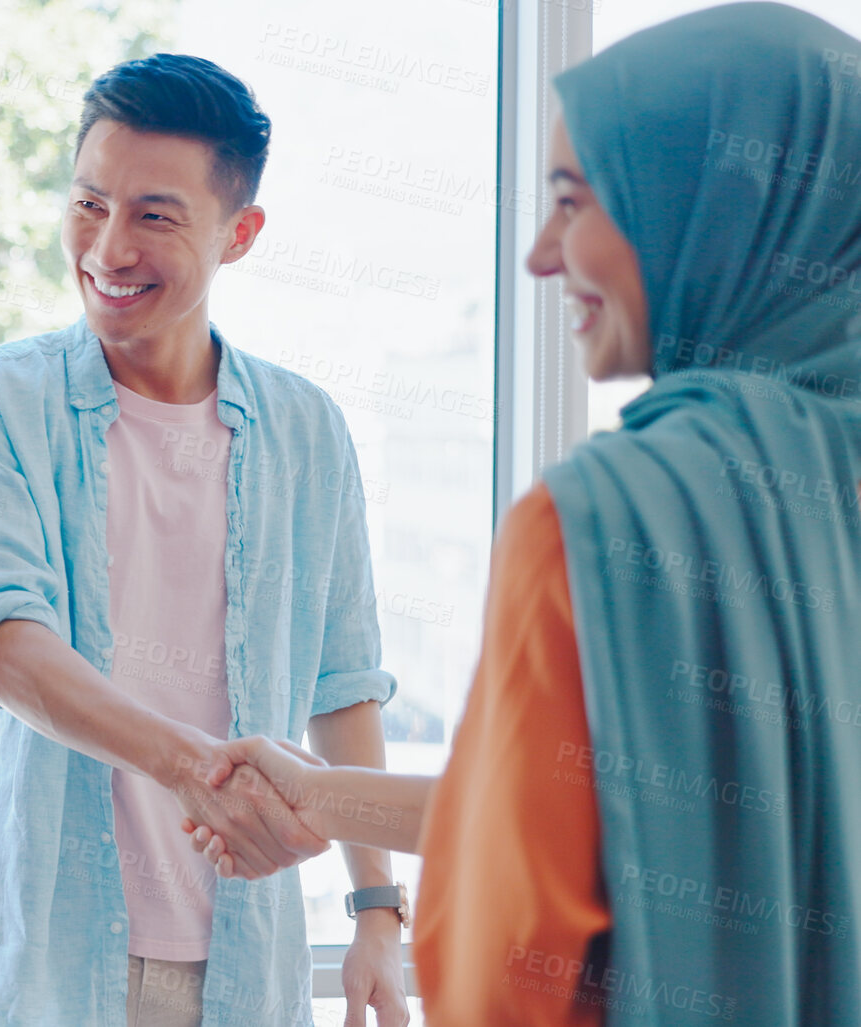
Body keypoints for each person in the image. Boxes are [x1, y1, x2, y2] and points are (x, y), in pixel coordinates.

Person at [187, 5, 861, 1024]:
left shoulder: (608, 522)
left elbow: (515, 961)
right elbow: (611, 810)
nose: (542, 256)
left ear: (706, 205)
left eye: (574, 202)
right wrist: (322, 795)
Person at [0, 53, 408, 1027]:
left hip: (243, 963)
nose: (107, 247)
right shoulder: (2, 402)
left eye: (153, 215)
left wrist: (377, 908)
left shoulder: (308, 429)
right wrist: (192, 766)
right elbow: (2, 642)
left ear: (240, 234)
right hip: (40, 957)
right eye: (88, 203)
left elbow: (343, 679)